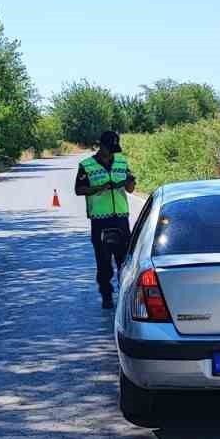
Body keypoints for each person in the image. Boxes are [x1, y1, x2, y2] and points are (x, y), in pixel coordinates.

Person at [74, 130, 137, 308]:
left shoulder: (122, 161)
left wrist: (130, 181)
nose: (112, 152)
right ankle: (107, 295)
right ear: (101, 146)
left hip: (121, 218)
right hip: (100, 220)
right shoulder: (86, 165)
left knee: (124, 260)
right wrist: (99, 188)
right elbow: (79, 189)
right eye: (109, 148)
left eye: (114, 148)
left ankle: (126, 295)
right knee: (103, 262)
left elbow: (131, 189)